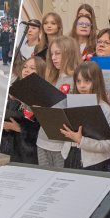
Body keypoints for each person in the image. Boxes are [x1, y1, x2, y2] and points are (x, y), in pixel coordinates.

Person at [59, 61, 110, 170]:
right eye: (78, 81)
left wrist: (81, 140)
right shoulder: (70, 104)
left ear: (97, 82)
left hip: (94, 163)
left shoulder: (104, 109)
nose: (82, 85)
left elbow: (107, 145)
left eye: (87, 81)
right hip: (70, 157)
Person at [36, 36, 79, 168]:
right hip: (42, 139)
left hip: (63, 143)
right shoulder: (51, 78)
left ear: (70, 53)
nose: (53, 58)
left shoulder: (78, 79)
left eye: (58, 53)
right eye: (52, 54)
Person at [1, 56, 46, 164]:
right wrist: (6, 127)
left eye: (32, 68)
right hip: (16, 150)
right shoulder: (15, 92)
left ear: (40, 72)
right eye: (25, 67)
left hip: (33, 153)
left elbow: (41, 129)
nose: (26, 70)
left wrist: (19, 128)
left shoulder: (43, 96)